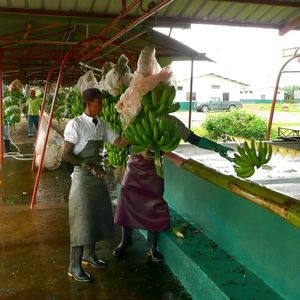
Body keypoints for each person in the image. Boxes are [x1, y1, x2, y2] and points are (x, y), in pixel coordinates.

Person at [113, 116, 233, 262]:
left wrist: (216, 147)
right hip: (134, 167)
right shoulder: (137, 118)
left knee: (154, 204)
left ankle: (152, 247)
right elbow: (124, 141)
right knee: (127, 200)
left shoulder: (172, 122)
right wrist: (139, 150)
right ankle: (125, 240)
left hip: (154, 169)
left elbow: (194, 138)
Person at [63, 88, 127, 283]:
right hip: (82, 178)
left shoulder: (101, 125)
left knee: (95, 217)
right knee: (81, 220)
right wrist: (86, 164)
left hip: (97, 176)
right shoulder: (76, 124)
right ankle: (74, 266)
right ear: (88, 103)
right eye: (98, 102)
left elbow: (120, 141)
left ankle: (89, 256)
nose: (102, 105)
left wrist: (139, 135)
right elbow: (66, 155)